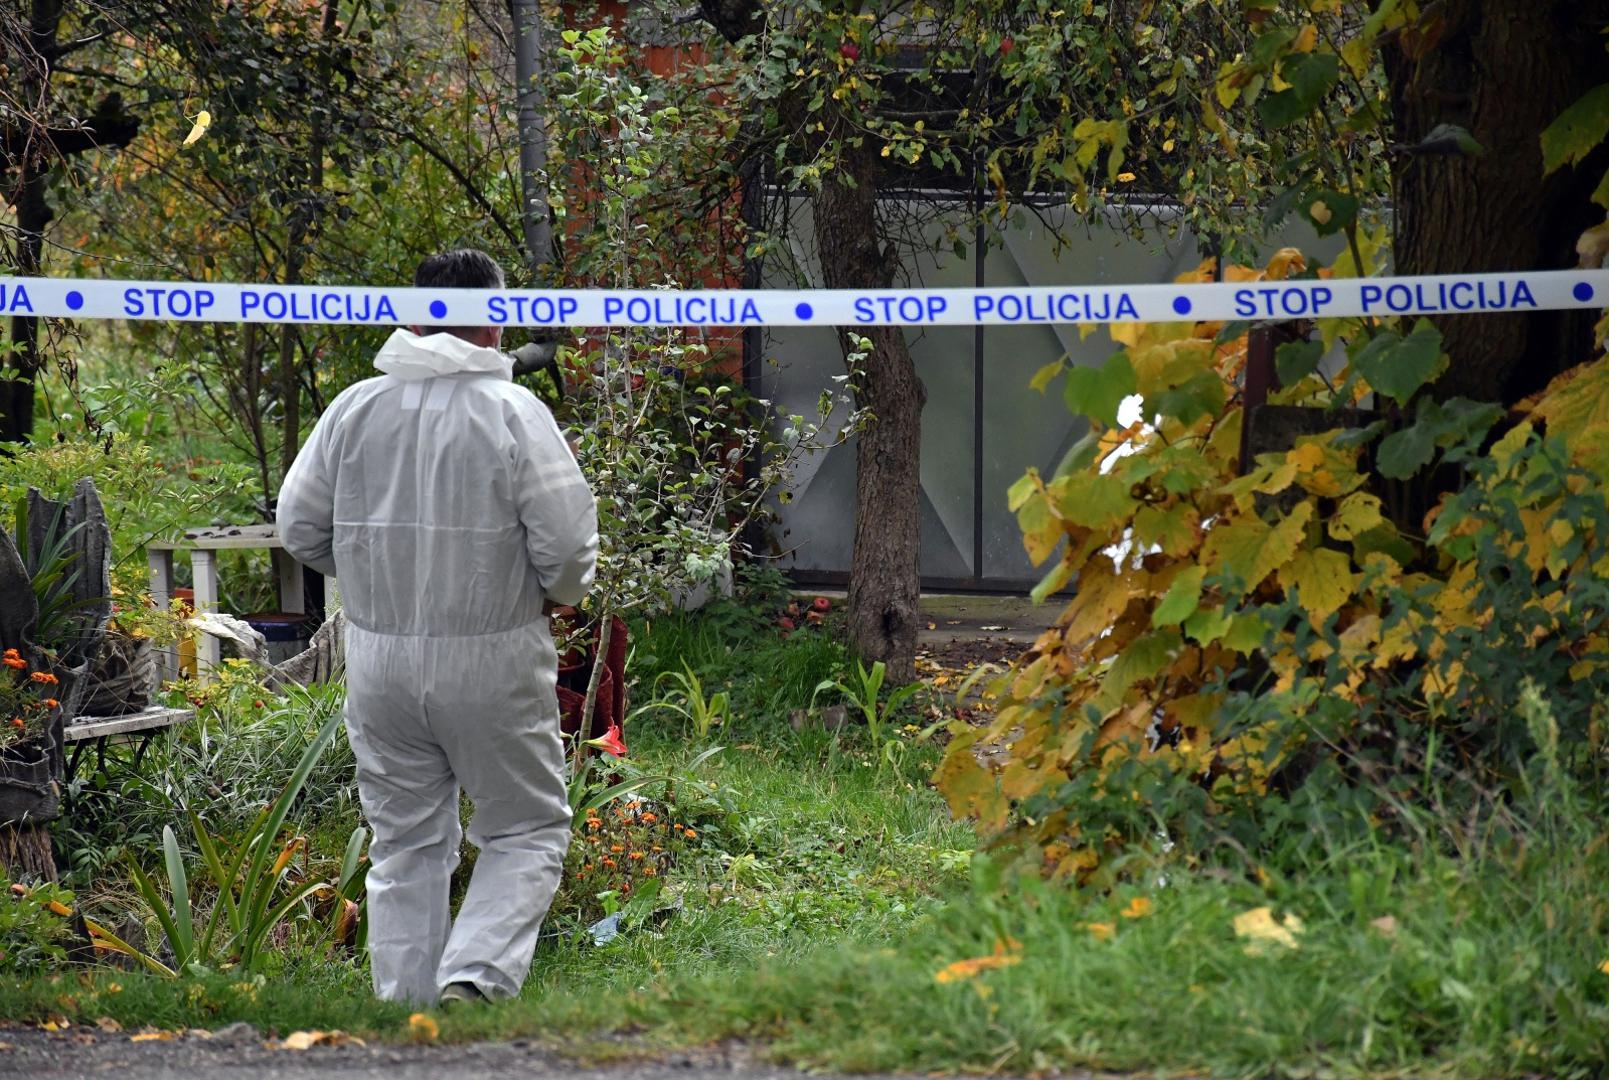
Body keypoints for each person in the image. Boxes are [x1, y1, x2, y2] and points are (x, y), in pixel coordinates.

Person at [277, 249, 597, 1006]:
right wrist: (554, 594)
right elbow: (568, 551)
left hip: (378, 661)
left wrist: (364, 573)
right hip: (495, 653)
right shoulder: (515, 413)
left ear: (412, 313)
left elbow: (298, 527)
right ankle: (473, 979)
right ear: (494, 322)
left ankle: (404, 1011)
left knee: (405, 843)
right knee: (525, 830)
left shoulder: (354, 408)